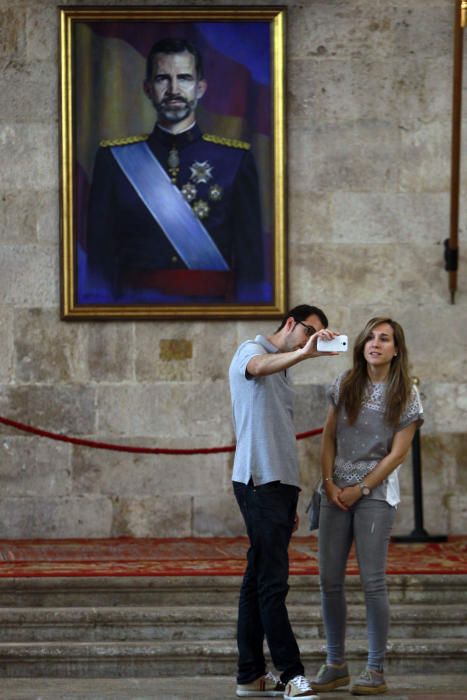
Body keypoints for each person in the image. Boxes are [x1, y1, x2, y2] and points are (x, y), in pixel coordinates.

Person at [85, 37, 266, 304]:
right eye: (162, 79)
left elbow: (251, 264)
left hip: (215, 311)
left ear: (200, 88)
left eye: (184, 78)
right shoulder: (113, 161)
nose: (173, 89)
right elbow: (99, 260)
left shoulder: (235, 160)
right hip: (131, 309)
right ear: (147, 88)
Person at [229, 304, 339, 700]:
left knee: (256, 581)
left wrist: (290, 496)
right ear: (290, 323)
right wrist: (305, 351)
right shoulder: (250, 349)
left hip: (277, 486)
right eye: (309, 330)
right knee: (272, 583)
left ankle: (250, 675)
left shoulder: (284, 369)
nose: (311, 339)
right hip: (260, 482)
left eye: (320, 335)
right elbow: (257, 367)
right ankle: (291, 674)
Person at [310, 317, 423, 696]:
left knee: (372, 581)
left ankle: (375, 669)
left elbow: (398, 454)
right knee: (329, 580)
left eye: (385, 338)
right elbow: (327, 437)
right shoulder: (345, 384)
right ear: (361, 345)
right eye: (371, 337)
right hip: (334, 489)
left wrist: (361, 487)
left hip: (374, 493)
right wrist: (329, 483)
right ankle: (335, 664)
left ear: (396, 350)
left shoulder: (406, 392)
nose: (376, 343)